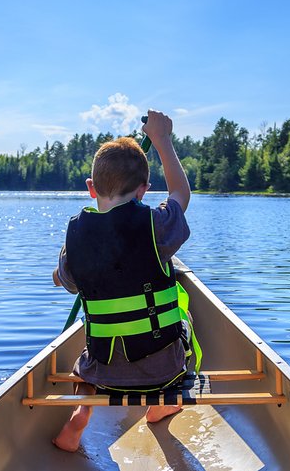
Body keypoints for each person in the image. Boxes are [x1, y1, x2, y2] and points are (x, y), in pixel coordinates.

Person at [51, 109, 195, 452]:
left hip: (102, 370)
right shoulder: (156, 226)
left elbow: (64, 278)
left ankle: (82, 409)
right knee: (186, 318)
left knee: (81, 366)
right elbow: (180, 195)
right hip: (162, 370)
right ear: (144, 190)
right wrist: (162, 140)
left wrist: (60, 274)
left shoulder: (74, 237)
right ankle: (162, 404)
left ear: (90, 188)